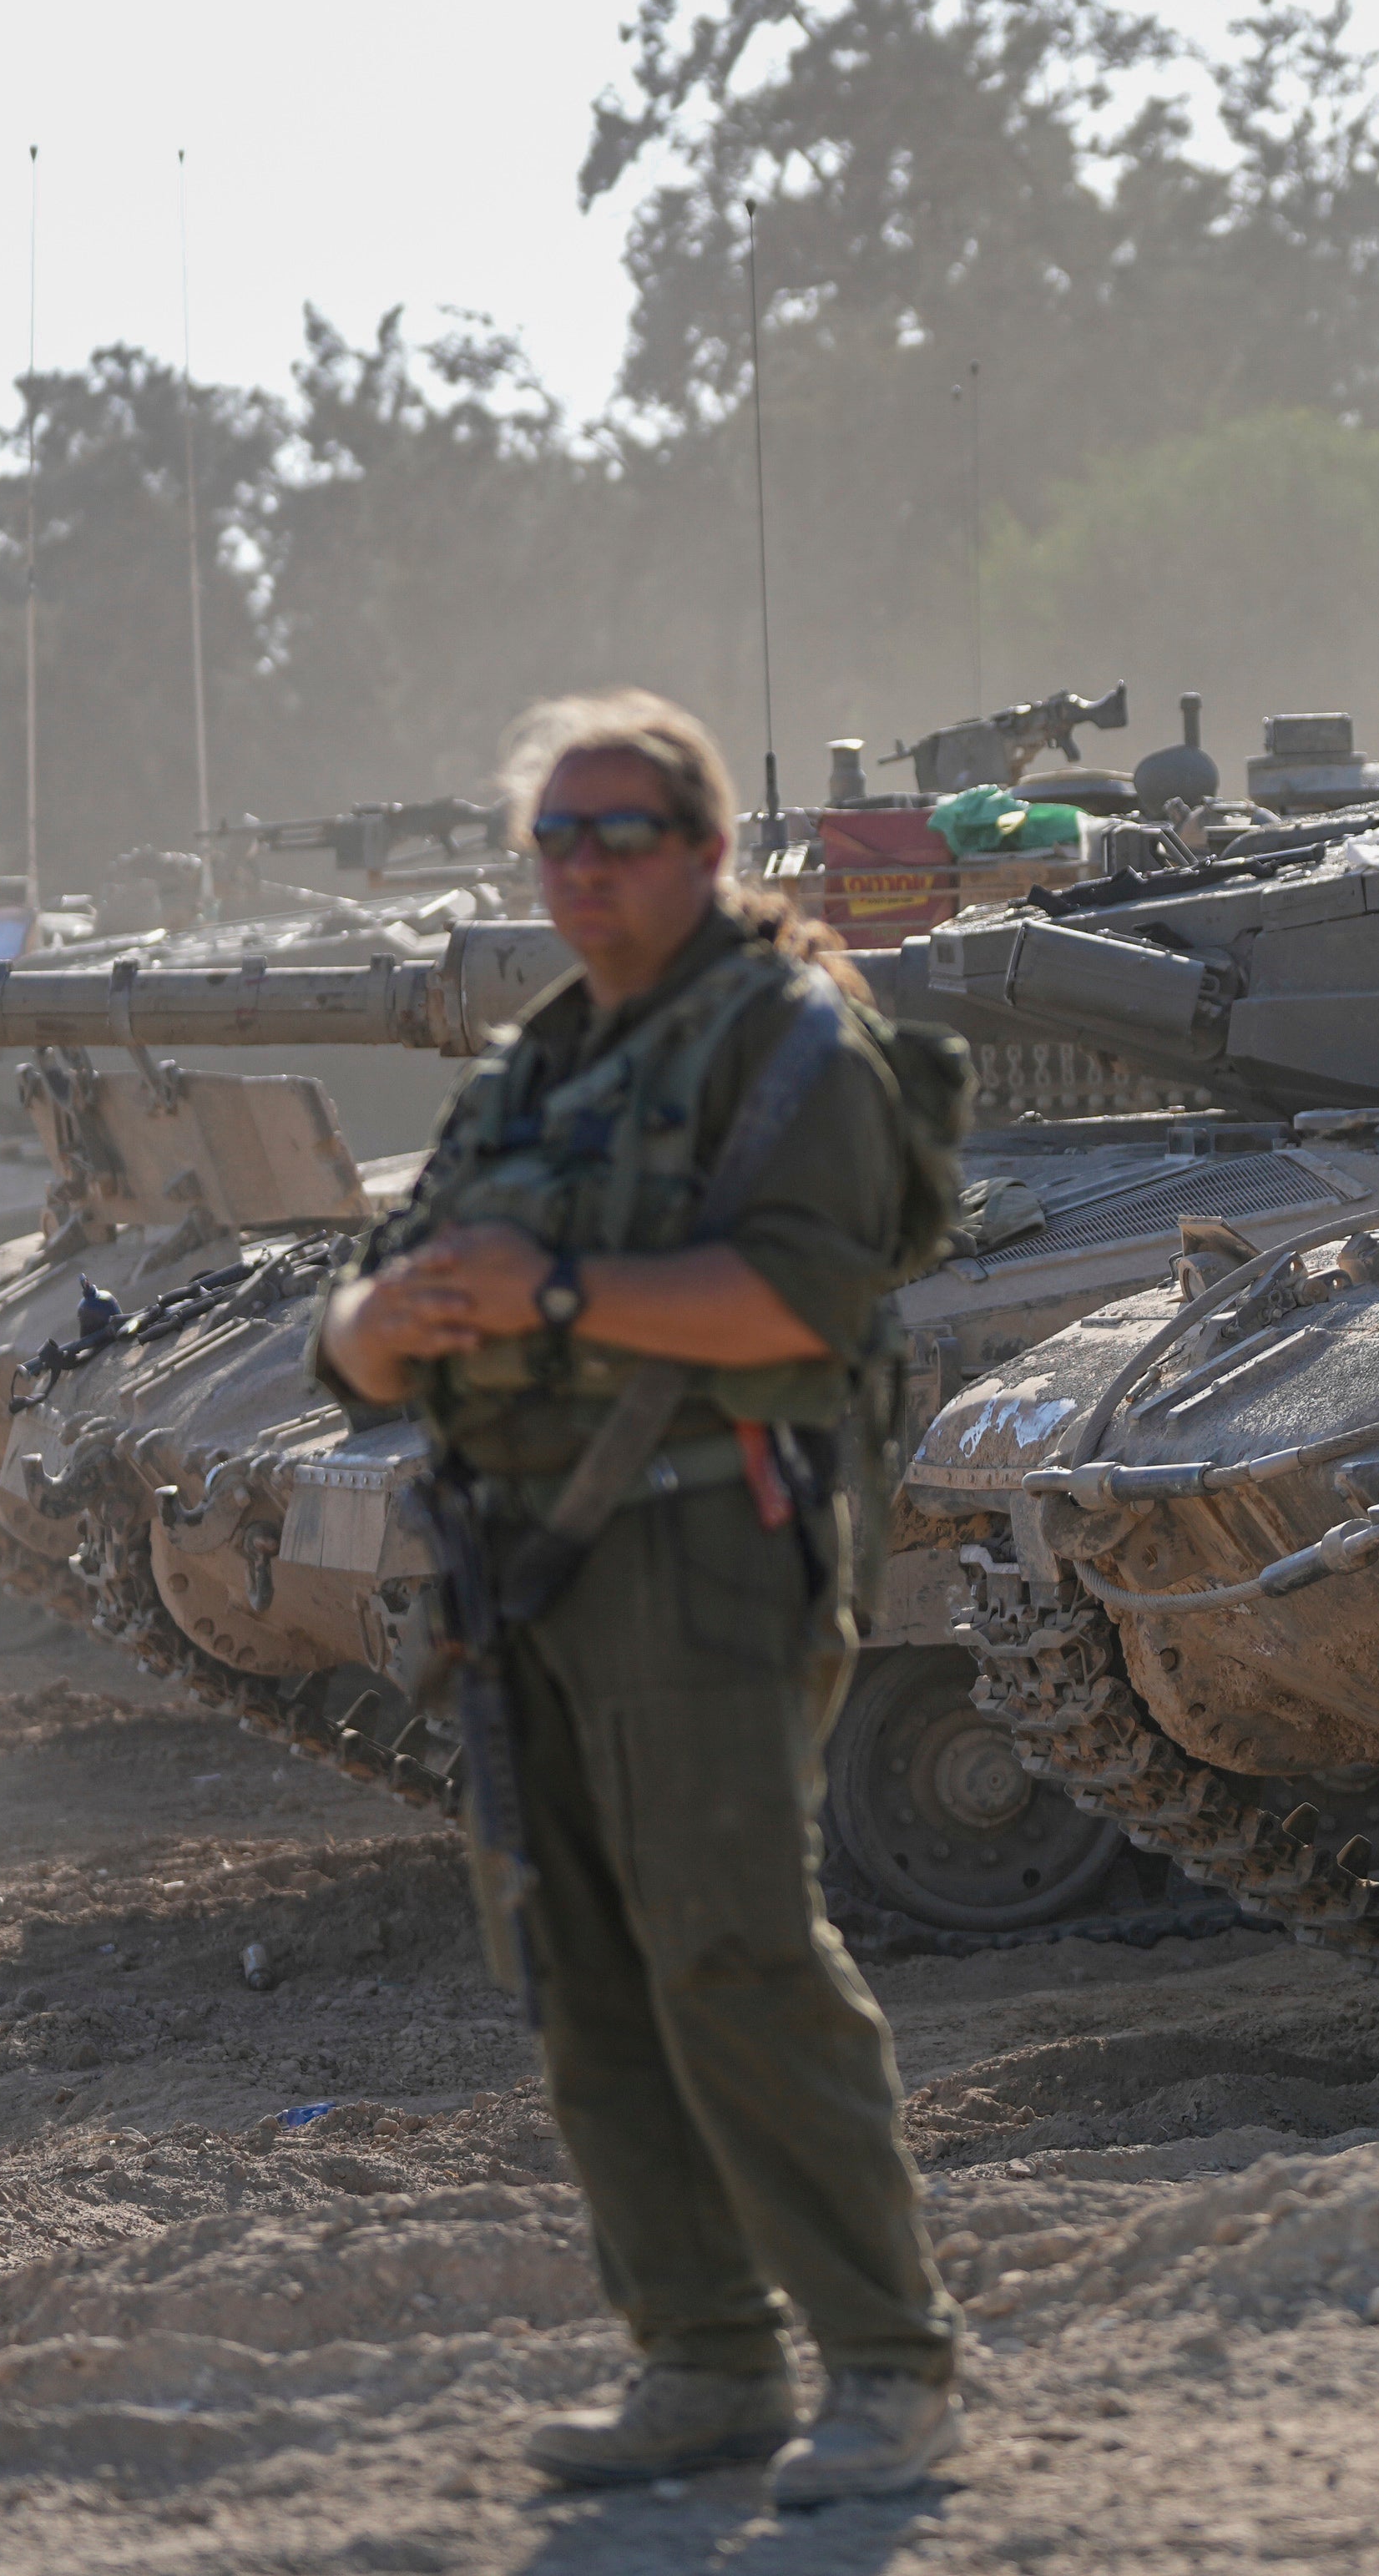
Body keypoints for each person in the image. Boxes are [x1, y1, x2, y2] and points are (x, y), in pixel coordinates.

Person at [314, 691, 966, 2508]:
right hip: (515, 1564)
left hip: (701, 1542)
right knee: (585, 1972)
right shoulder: (531, 1067)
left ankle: (891, 2367)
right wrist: (390, 1325)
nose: (586, 869)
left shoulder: (790, 1046)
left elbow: (801, 1312)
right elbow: (353, 1335)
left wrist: (549, 1297)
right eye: (558, 839)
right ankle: (702, 2355)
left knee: (732, 1948)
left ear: (708, 851)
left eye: (625, 835)